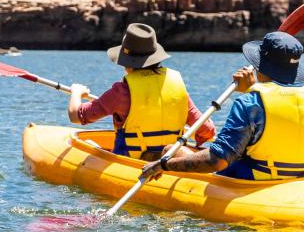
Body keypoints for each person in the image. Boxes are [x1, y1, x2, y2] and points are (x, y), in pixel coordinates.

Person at [139, 31, 304, 181]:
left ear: (259, 65)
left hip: (253, 178)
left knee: (169, 151)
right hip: (299, 177)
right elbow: (277, 121)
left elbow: (217, 162)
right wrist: (252, 89)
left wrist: (162, 165)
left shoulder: (250, 103)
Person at [68, 23, 215, 161]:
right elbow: (207, 131)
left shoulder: (121, 92)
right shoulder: (177, 87)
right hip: (170, 160)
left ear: (127, 61)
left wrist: (76, 92)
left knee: (89, 144)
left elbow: (76, 116)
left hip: (131, 163)